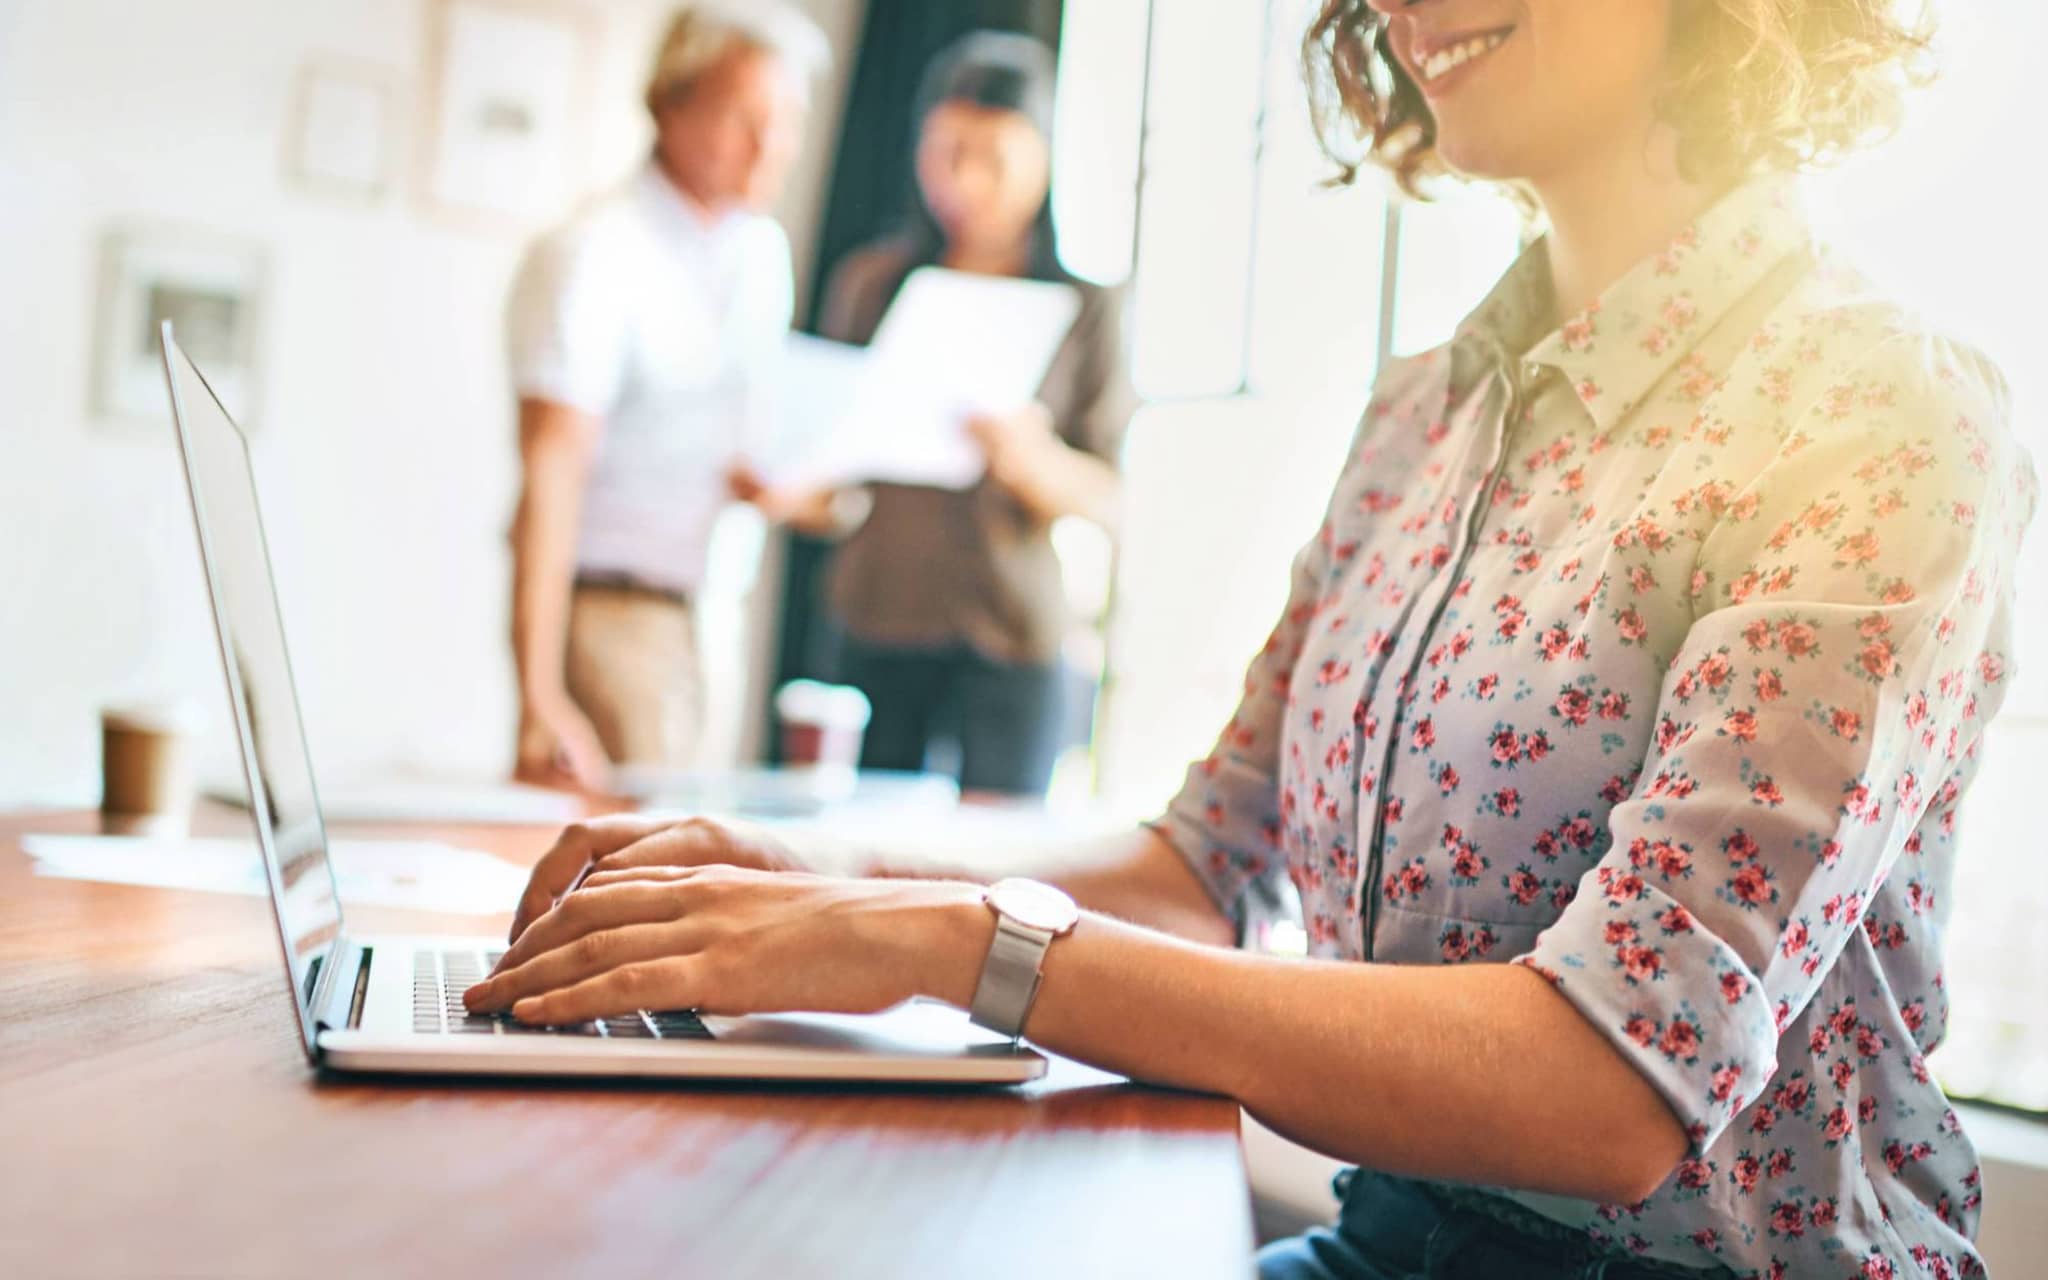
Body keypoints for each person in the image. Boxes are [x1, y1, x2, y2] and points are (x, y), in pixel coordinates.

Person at [467, 2, 2035, 1277]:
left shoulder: (1872, 411)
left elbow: (1615, 1083)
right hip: (1392, 1238)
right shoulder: (1422, 410)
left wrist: (949, 947)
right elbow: (1204, 866)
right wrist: (814, 888)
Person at [763, 31, 1134, 798]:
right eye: (947, 153)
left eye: (992, 158)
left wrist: (1028, 457)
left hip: (1011, 634)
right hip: (877, 619)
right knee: (866, 866)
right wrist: (795, 490)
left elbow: (1108, 493)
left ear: (1041, 158)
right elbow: (832, 477)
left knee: (997, 869)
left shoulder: (1085, 305)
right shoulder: (869, 285)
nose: (965, 182)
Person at [504, 3, 828, 790]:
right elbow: (551, 477)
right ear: (670, 104)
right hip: (612, 615)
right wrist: (538, 693)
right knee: (629, 876)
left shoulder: (762, 254)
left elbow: (752, 445)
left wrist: (795, 492)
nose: (769, 146)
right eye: (743, 117)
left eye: (784, 121)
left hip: (713, 617)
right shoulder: (596, 254)